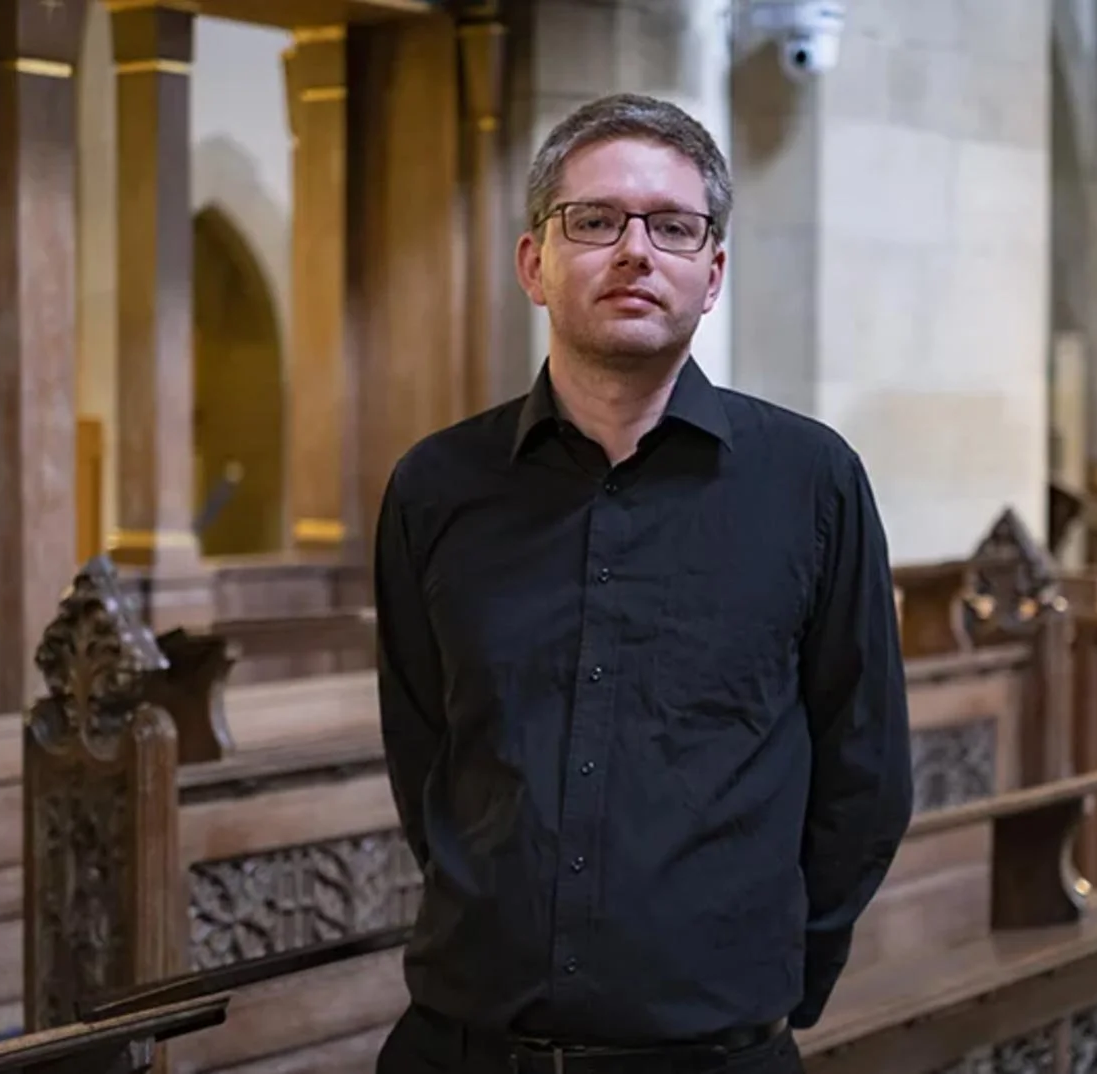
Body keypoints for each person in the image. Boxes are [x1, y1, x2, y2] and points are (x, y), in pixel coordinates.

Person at [374, 92, 913, 1074]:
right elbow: (424, 751)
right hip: (467, 1051)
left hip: (713, 1056)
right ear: (533, 263)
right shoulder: (436, 486)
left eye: (672, 226)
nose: (635, 251)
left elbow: (865, 772)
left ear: (712, 274)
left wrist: (768, 981)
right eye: (595, 221)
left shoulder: (811, 483)